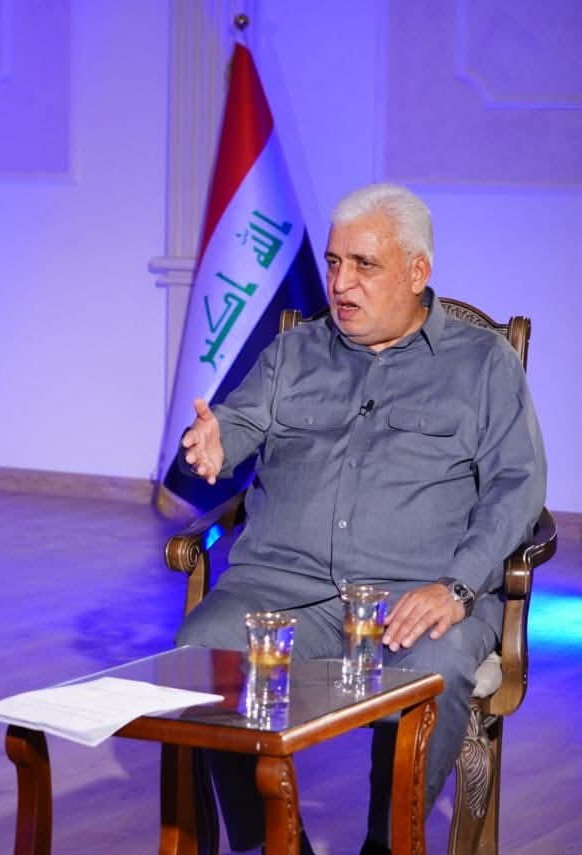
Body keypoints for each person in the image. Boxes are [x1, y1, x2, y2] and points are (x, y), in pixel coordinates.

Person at [174, 183, 545, 854]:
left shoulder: (482, 364)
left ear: (417, 270)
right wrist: (216, 441)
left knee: (432, 666)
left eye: (364, 265)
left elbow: (517, 488)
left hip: (415, 597)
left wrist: (457, 587)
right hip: (282, 590)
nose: (341, 283)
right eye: (334, 262)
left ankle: (388, 846)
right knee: (206, 645)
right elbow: (238, 421)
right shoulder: (294, 353)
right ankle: (274, 844)